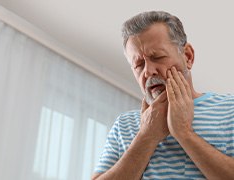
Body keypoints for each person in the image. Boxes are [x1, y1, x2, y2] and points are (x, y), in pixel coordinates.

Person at [92, 11, 234, 179]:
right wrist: (147, 136)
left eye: (157, 57)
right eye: (139, 64)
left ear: (188, 57)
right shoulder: (124, 125)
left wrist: (183, 133)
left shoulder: (230, 109)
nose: (148, 71)